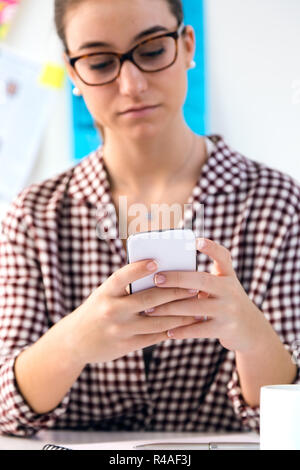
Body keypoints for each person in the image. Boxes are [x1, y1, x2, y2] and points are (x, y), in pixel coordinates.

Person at [0, 0, 299, 437]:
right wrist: (73, 341)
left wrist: (251, 334)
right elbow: (7, 411)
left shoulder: (278, 204)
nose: (132, 84)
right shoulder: (33, 217)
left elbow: (289, 421)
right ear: (72, 74)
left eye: (153, 50)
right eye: (100, 62)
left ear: (187, 45)